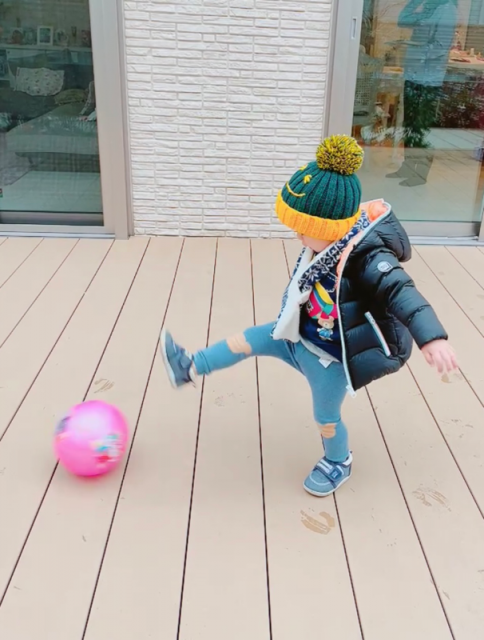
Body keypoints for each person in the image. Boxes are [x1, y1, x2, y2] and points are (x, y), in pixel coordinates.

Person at [160, 135, 457, 497]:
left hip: (329, 358)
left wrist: (431, 337)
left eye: (304, 231)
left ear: (329, 229)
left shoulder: (368, 258)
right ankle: (189, 366)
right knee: (246, 340)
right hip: (296, 336)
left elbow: (400, 291)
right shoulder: (327, 246)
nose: (298, 237)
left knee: (325, 418)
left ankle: (338, 461)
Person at [387, 0, 458, 186]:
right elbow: (403, 20)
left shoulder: (447, 9)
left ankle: (421, 174)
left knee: (422, 128)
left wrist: (414, 50)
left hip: (429, 80)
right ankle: (408, 166)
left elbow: (441, 46)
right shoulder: (427, 8)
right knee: (409, 124)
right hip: (413, 76)